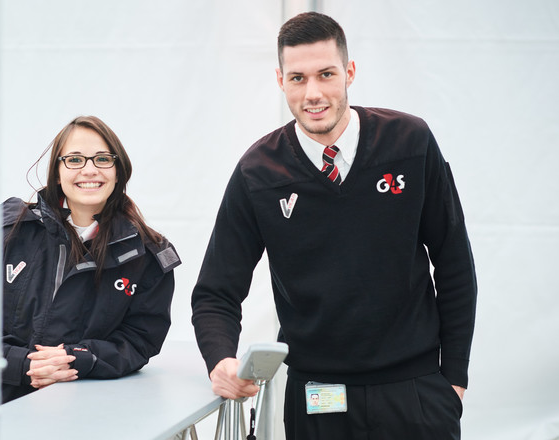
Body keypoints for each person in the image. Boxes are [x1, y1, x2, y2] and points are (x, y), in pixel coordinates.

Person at [190, 12, 476, 439]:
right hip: (317, 395)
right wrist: (220, 360)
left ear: (350, 72)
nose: (314, 93)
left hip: (414, 391)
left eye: (326, 74)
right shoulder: (258, 173)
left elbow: (454, 265)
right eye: (298, 78)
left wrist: (453, 380)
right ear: (280, 80)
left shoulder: (410, 143)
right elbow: (216, 292)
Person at [0, 115, 180, 403]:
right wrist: (23, 364)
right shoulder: (11, 232)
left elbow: (140, 340)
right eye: (74, 160)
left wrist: (78, 358)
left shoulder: (147, 254)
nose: (89, 170)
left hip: (89, 413)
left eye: (102, 159)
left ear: (118, 170)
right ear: (57, 172)